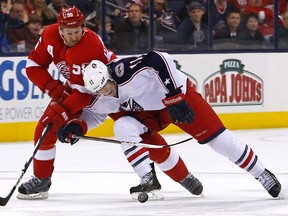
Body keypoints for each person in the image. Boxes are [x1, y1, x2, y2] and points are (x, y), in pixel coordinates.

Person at [59, 51, 282, 199]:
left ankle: (262, 173)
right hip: (149, 112)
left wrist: (175, 96)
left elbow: (159, 58)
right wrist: (78, 127)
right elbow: (96, 115)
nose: (105, 91)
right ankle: (148, 177)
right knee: (123, 127)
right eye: (99, 90)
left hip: (177, 97)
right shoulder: (103, 94)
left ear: (108, 74)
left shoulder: (123, 71)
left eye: (106, 85)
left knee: (217, 139)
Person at [16, 6, 116, 200]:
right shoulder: (50, 35)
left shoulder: (90, 46)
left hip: (110, 91)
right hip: (78, 89)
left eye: (78, 31)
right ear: (60, 29)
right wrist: (54, 88)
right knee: (46, 127)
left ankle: (159, 174)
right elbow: (33, 66)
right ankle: (41, 179)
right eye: (69, 33)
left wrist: (63, 108)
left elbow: (89, 92)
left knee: (136, 126)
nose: (74, 36)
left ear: (84, 27)